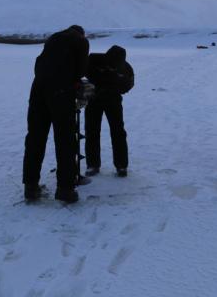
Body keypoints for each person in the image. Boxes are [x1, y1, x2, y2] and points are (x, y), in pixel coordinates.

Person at [22, 25, 89, 204]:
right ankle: (65, 189)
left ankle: (30, 186)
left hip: (38, 88)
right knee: (65, 139)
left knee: (35, 137)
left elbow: (40, 63)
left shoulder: (53, 38)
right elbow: (81, 69)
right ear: (81, 33)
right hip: (60, 90)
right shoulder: (81, 41)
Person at [84, 45, 134, 177]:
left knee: (118, 132)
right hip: (94, 99)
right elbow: (86, 73)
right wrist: (101, 82)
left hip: (113, 100)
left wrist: (113, 83)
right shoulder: (93, 61)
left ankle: (121, 166)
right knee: (92, 131)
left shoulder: (126, 68)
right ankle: (92, 165)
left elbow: (127, 85)